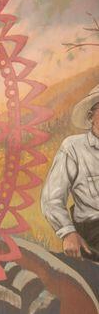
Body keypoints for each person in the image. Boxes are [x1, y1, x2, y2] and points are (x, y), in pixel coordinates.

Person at [41, 84, 99, 261]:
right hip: (94, 232)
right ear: (91, 116)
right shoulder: (73, 147)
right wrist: (68, 232)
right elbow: (51, 198)